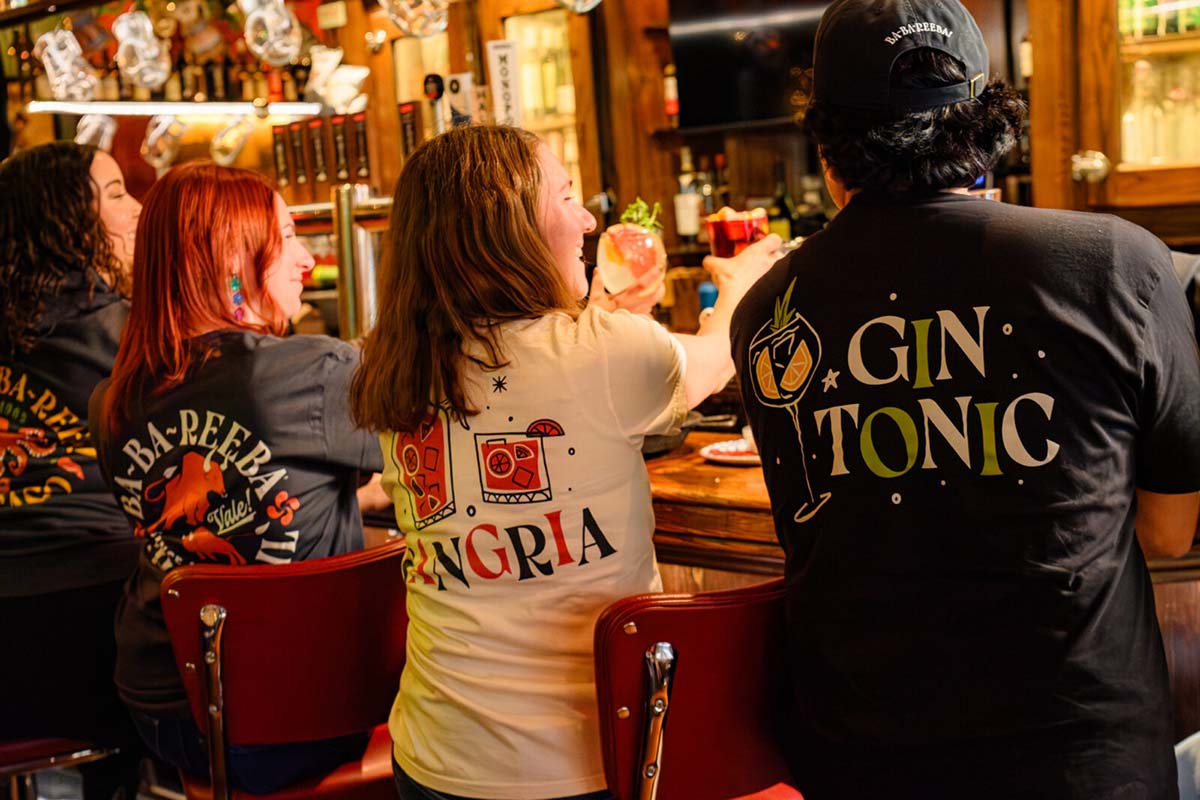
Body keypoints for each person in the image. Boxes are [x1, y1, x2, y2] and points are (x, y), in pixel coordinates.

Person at [730, 1, 1200, 798]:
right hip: (1081, 761)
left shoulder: (768, 312)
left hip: (865, 762)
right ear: (984, 125)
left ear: (828, 145)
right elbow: (1167, 531)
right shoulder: (1117, 265)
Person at [349, 124, 779, 800]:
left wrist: (598, 311)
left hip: (435, 755)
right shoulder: (603, 351)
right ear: (508, 228)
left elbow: (526, 365)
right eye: (567, 196)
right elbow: (712, 359)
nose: (587, 221)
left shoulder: (397, 363)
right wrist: (741, 282)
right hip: (583, 764)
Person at [90, 161, 386, 794]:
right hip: (303, 717)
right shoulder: (319, 371)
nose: (306, 260)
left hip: (164, 713)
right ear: (232, 259)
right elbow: (438, 444)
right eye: (288, 237)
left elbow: (269, 487)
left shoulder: (111, 401)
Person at [0, 141, 144, 799]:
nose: (137, 209)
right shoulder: (134, 333)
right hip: (98, 630)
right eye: (114, 194)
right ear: (66, 223)